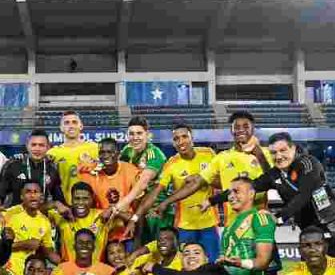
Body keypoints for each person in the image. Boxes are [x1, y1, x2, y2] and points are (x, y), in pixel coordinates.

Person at [209, 132, 335, 254]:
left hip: (330, 224)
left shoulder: (308, 163)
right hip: (306, 228)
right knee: (312, 268)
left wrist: (278, 217)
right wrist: (211, 201)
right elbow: (244, 189)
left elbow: (304, 195)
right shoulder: (274, 174)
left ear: (293, 148)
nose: (278, 156)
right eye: (273, 152)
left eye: (283, 150)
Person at [157, 111, 273, 226]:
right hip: (233, 225)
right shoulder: (222, 157)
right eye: (236, 127)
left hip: (260, 223)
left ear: (253, 129)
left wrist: (259, 154)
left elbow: (273, 181)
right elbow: (196, 183)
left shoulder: (267, 153)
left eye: (246, 126)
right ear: (231, 130)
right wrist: (166, 202)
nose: (241, 129)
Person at [140, 124, 219, 261]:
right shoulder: (171, 164)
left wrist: (202, 179)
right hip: (184, 226)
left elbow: (222, 182)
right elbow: (157, 189)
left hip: (210, 223)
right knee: (185, 264)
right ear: (173, 143)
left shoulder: (208, 154)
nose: (181, 141)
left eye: (184, 137)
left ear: (191, 138)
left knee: (212, 264)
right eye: (176, 138)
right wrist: (139, 214)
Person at [218, 177, 279, 275]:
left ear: (251, 194)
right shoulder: (228, 227)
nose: (231, 196)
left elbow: (263, 261)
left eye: (236, 191)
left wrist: (241, 263)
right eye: (229, 193)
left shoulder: (260, 218)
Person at [115, 116, 169, 244]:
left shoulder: (154, 154)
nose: (135, 137)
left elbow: (142, 183)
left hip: (155, 209)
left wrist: (122, 204)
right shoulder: (127, 151)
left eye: (139, 133)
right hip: (137, 208)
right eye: (132, 134)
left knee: (157, 247)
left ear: (147, 135)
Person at [0, 129, 68, 218]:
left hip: (41, 220)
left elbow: (58, 198)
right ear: (27, 146)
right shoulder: (12, 165)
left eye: (41, 145)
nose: (37, 148)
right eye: (33, 145)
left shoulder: (52, 168)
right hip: (16, 219)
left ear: (48, 147)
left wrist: (60, 207)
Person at [79, 138, 140, 244]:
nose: (106, 156)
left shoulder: (131, 171)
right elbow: (87, 207)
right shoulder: (90, 174)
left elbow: (138, 207)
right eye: (102, 152)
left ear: (118, 154)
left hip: (126, 230)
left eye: (110, 152)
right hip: (101, 230)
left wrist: (114, 211)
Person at [1, 180, 60, 275]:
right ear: (21, 196)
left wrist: (67, 265)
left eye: (36, 192)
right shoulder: (9, 215)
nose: (32, 196)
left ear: (41, 197)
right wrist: (24, 244)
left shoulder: (44, 222)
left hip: (28, 274)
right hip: (7, 271)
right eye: (28, 192)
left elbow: (49, 253)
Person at [47, 111, 99, 205]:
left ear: (81, 126)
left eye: (74, 122)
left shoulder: (95, 148)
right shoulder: (53, 153)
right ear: (61, 128)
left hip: (94, 204)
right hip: (67, 205)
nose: (71, 126)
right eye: (67, 123)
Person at [53, 182, 110, 263]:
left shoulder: (101, 215)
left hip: (96, 271)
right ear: (71, 199)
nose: (81, 202)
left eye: (85, 198)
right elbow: (34, 211)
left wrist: (113, 209)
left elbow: (129, 217)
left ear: (92, 199)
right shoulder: (62, 215)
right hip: (70, 271)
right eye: (77, 198)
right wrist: (55, 204)